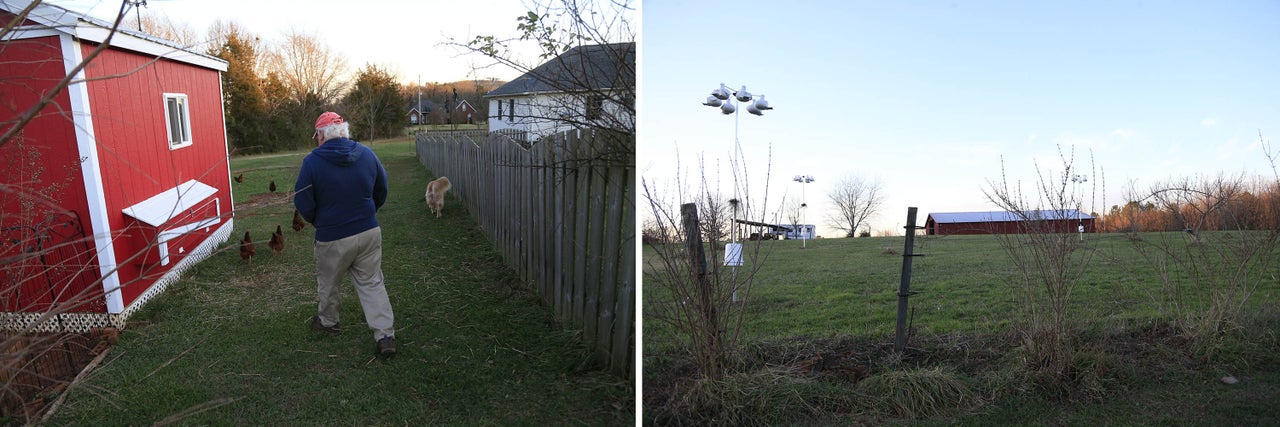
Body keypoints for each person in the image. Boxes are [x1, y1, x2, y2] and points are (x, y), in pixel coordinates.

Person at [293, 111, 396, 357]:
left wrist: (318, 221)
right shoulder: (367, 154)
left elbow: (303, 200)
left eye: (317, 136)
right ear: (344, 132)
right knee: (372, 282)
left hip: (332, 237)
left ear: (321, 135)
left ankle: (328, 323)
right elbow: (382, 188)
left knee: (329, 282)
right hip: (368, 231)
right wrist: (369, 213)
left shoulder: (312, 162)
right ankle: (385, 335)